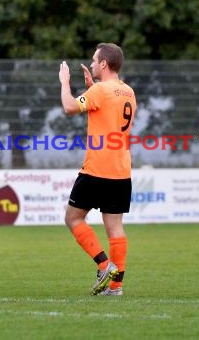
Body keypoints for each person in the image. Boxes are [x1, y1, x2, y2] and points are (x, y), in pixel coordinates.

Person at [58, 43, 136, 296]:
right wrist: (92, 88)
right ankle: (116, 286)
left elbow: (69, 107)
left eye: (94, 60)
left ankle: (104, 266)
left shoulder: (101, 90)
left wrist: (65, 82)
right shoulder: (127, 91)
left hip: (97, 169)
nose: (91, 64)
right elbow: (108, 112)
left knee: (73, 218)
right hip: (121, 170)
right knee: (115, 227)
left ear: (104, 64)